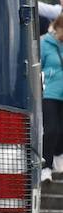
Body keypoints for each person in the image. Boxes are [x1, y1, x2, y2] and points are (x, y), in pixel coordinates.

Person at [42, 14, 63, 180]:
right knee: (51, 129)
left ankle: (58, 157)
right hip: (50, 93)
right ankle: (46, 166)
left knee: (61, 130)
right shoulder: (45, 44)